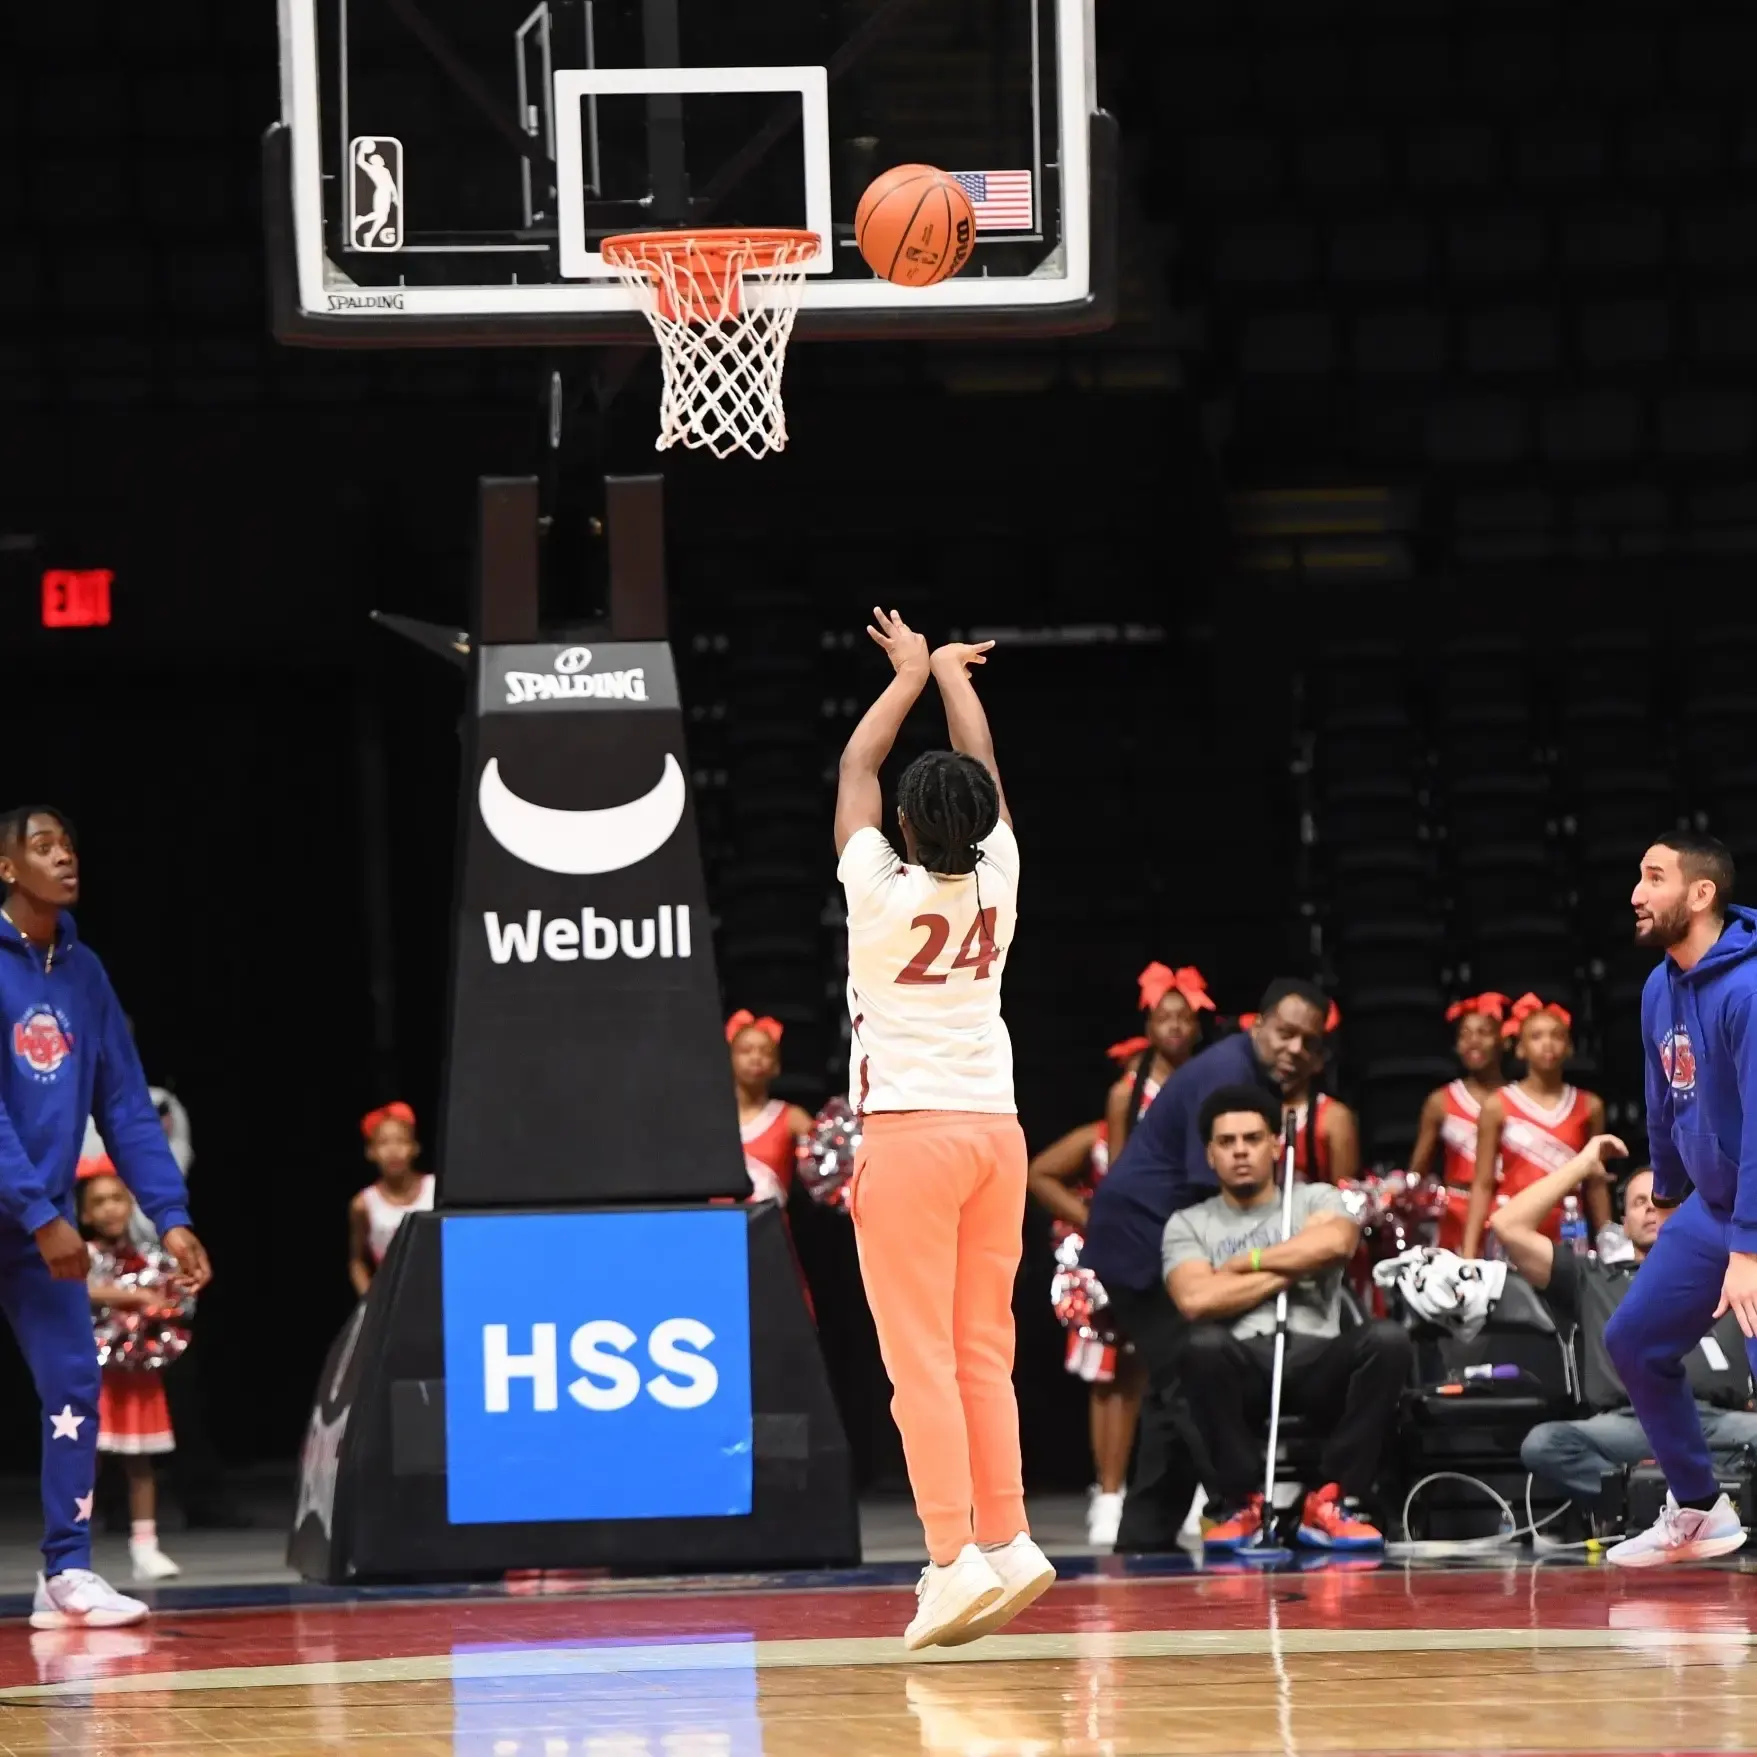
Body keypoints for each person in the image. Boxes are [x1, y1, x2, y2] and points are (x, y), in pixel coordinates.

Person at [836, 608, 1053, 1649]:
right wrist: (959, 680)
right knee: (980, 1350)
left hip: (909, 1136)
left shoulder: (875, 890)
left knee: (916, 1357)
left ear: (908, 831)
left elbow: (854, 765)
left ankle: (948, 1558)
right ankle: (1008, 1536)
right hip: (993, 1133)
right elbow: (985, 765)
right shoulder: (1002, 879)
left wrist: (907, 674)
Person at [0, 805, 211, 1628]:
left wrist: (173, 1213)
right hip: (34, 1213)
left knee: (73, 1381)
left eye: (69, 845)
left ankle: (66, 1573)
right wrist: (38, 1208)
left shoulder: (85, 972)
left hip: (39, 1227)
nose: (64, 856)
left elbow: (124, 1105)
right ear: (7, 869)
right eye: (42, 846)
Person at [1080, 978, 1334, 1551]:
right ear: (1258, 1024)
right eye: (1285, 1033)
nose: (1295, 1048)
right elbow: (1211, 1185)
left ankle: (1145, 1533)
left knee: (1172, 1385)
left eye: (1308, 1041)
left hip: (1152, 1229)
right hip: (1143, 1236)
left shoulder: (1245, 1072)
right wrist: (1259, 1262)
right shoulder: (1229, 1076)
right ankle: (1240, 1505)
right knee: (1191, 1374)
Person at [1599, 832, 1757, 1565]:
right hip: (1712, 1207)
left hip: (1751, 1212)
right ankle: (1696, 1508)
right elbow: (1662, 1100)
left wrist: (1747, 1249)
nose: (1635, 891)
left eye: (1653, 876)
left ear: (1700, 894)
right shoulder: (1659, 984)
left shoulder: (1748, 988)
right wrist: (1664, 1196)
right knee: (1633, 1340)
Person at [1165, 1086, 1410, 1553]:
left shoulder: (1315, 1199)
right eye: (1227, 1141)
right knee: (1200, 1346)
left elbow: (1337, 1244)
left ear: (1276, 1145)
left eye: (1253, 1138)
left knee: (1387, 1339)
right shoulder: (1188, 1223)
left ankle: (1331, 1499)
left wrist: (1246, 1263)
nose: (1241, 1150)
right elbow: (1195, 1299)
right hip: (1241, 1366)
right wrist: (1294, 1264)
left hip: (1318, 1357)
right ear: (1210, 1155)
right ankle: (1244, 1502)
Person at [1490, 1134, 1757, 1532]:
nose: (1651, 1208)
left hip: (1721, 1423)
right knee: (1545, 1444)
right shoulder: (1593, 1276)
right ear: (1623, 1221)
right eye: (1638, 1202)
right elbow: (1506, 1226)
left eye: (1660, 1198)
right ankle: (1648, 1503)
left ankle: (1700, 1499)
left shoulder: (1731, 1265)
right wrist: (1582, 1166)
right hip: (1629, 1427)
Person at [1027, 1102, 1143, 1547]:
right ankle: (1109, 1494)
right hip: (1106, 1267)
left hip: (1167, 1256)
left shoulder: (1177, 1130)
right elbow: (1039, 1173)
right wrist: (1095, 1220)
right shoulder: (1095, 1137)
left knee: (1166, 1376)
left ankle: (1196, 1496)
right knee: (1109, 1376)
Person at [79, 1170, 182, 1581]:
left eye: (117, 1199)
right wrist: (131, 1296)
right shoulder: (80, 1254)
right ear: (85, 1214)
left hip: (137, 1372)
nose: (110, 1208)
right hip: (93, 1372)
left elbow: (168, 1296)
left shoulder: (149, 1256)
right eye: (99, 1201)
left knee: (141, 1463)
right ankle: (73, 1549)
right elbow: (77, 1289)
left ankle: (146, 1547)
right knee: (84, 1462)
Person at [1461, 995, 1609, 1259]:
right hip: (1512, 1231)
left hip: (1568, 1231)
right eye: (1536, 1036)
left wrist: (1610, 1245)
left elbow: (1595, 1183)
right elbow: (1482, 1184)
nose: (1547, 1044)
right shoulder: (1498, 1105)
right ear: (1520, 1049)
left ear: (1569, 1046)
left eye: (1557, 1035)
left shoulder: (1590, 1106)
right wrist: (1470, 1255)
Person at [1407, 994, 1509, 1251]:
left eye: (1484, 1032)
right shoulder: (1441, 1101)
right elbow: (1417, 1171)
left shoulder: (1519, 1099)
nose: (1473, 1041)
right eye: (1465, 1034)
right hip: (1456, 1213)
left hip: (1509, 1210)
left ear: (1504, 1040)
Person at [1105, 964, 1212, 1160]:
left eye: (1185, 1018)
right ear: (1149, 1030)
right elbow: (1116, 1172)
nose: (1174, 1026)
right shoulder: (1124, 1094)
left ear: (1197, 1029)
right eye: (1163, 1019)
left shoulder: (1210, 1084)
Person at [347, 1103, 434, 1298]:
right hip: (393, 1299)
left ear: (415, 1147)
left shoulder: (435, 1189)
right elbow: (357, 1262)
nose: (393, 1150)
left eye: (401, 1141)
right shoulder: (363, 1204)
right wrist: (371, 1302)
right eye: (384, 1143)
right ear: (370, 1152)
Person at [728, 1012, 815, 1203]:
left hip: (769, 1228)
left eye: (765, 1052)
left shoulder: (791, 1117)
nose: (755, 1058)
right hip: (718, 1225)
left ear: (776, 1065)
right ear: (729, 1059)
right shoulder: (711, 1118)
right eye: (745, 1050)